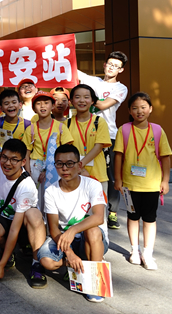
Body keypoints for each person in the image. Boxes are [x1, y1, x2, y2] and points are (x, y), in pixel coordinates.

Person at [38, 144, 109, 303]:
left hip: (90, 238)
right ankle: (78, 262)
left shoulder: (92, 185)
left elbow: (99, 217)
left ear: (79, 165)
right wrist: (69, 253)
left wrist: (73, 230)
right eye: (60, 164)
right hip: (64, 239)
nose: (65, 168)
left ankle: (95, 280)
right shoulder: (51, 191)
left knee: (92, 230)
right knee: (46, 261)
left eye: (70, 163)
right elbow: (53, 228)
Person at [114, 92, 172, 270]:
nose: (139, 111)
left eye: (143, 107)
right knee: (132, 217)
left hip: (151, 184)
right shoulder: (124, 130)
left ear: (150, 109)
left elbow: (165, 157)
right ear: (129, 111)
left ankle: (148, 253)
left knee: (149, 219)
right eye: (135, 108)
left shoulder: (157, 130)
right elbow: (118, 156)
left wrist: (165, 181)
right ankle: (134, 250)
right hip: (130, 185)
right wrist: (118, 179)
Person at [0, 139, 47, 288]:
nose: (8, 163)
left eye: (14, 160)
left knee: (34, 215)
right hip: (5, 218)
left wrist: (1, 265)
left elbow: (14, 229)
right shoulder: (1, 167)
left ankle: (37, 264)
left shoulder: (26, 186)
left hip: (23, 225)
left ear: (23, 162)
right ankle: (9, 252)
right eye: (4, 157)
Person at [78, 51, 129, 230]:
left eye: (116, 66)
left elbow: (102, 105)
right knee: (85, 169)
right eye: (110, 64)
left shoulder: (120, 88)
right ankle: (86, 208)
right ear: (104, 65)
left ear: (120, 70)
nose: (112, 68)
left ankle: (112, 212)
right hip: (86, 133)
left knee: (111, 174)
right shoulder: (92, 81)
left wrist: (85, 98)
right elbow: (72, 70)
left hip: (109, 135)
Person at [23, 91, 74, 186]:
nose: (42, 106)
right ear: (34, 109)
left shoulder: (61, 127)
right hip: (35, 167)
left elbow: (66, 151)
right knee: (36, 194)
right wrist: (28, 173)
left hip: (55, 165)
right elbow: (27, 152)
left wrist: (49, 169)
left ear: (53, 106)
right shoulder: (31, 129)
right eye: (38, 103)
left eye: (46, 103)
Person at [67, 85, 110, 189]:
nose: (82, 100)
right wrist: (80, 169)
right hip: (74, 175)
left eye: (86, 97)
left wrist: (79, 166)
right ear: (71, 101)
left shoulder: (100, 122)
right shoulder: (66, 124)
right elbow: (67, 150)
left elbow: (98, 147)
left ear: (92, 101)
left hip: (98, 175)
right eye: (77, 97)